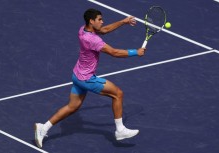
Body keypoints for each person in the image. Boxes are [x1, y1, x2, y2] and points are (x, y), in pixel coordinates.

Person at [34, 8, 146, 148]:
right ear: (91, 21)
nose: (102, 21)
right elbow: (114, 52)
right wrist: (136, 52)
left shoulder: (83, 29)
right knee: (118, 94)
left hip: (77, 75)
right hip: (87, 79)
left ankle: (42, 128)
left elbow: (104, 30)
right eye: (99, 19)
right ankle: (120, 130)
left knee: (72, 107)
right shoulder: (92, 39)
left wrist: (123, 22)